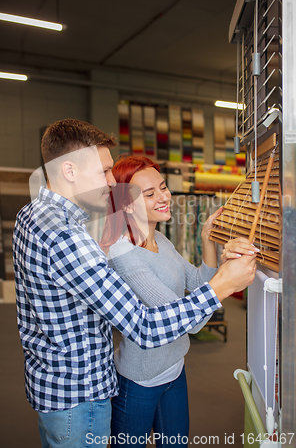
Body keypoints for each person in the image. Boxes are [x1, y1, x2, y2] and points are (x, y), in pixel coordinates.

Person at [12, 118, 256, 448]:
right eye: (104, 172)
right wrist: (224, 285)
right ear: (69, 171)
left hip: (58, 383)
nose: (113, 183)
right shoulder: (71, 238)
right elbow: (143, 326)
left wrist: (209, 246)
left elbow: (193, 284)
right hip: (80, 395)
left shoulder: (34, 214)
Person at [100, 155, 258, 448]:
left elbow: (197, 285)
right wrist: (226, 283)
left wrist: (207, 239)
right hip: (139, 381)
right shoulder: (124, 256)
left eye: (163, 187)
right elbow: (192, 322)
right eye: (150, 194)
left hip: (174, 370)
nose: (165, 197)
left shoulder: (160, 239)